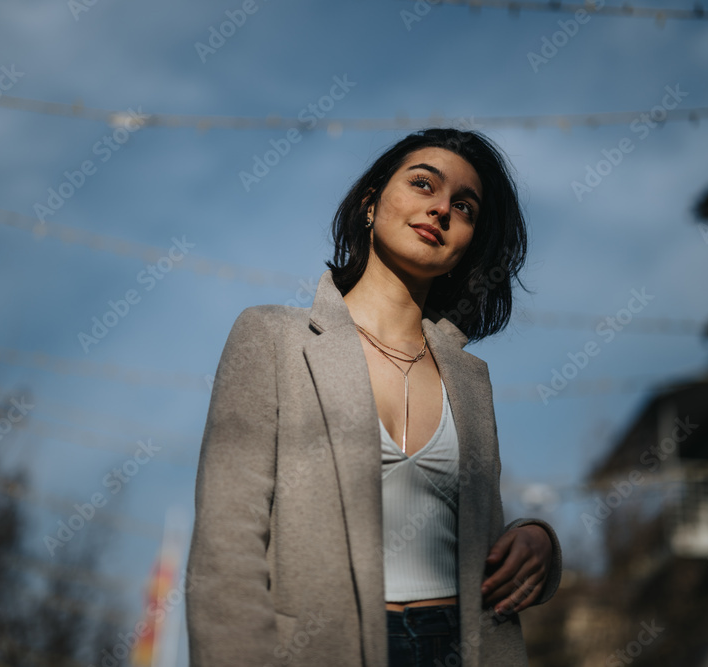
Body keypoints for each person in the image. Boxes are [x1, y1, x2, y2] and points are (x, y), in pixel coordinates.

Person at [185, 128, 563, 667]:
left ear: (466, 248)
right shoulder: (270, 337)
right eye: (422, 184)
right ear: (369, 204)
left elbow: (469, 539)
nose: (440, 209)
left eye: (464, 207)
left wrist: (535, 540)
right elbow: (227, 545)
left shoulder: (472, 380)